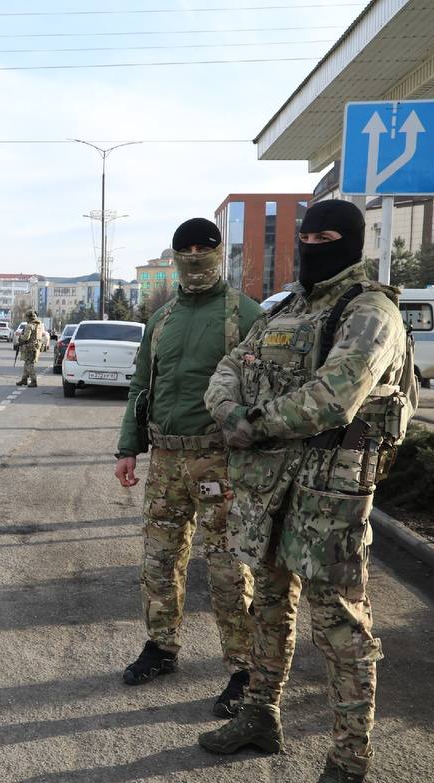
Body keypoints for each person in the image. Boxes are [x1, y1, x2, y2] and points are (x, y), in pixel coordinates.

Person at [198, 199, 414, 783]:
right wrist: (230, 411)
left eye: (327, 236)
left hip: (331, 492)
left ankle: (348, 772)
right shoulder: (286, 309)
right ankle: (261, 712)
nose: (314, 244)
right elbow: (228, 369)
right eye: (307, 235)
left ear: (353, 242)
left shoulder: (371, 312)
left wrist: (254, 426)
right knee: (268, 601)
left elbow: (336, 397)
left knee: (340, 628)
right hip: (272, 489)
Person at [114, 218, 263, 717]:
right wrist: (127, 449)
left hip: (220, 460)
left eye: (204, 247)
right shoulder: (163, 319)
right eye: (187, 249)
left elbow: (263, 391)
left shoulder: (244, 314)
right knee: (158, 562)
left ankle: (245, 670)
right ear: (176, 256)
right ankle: (161, 647)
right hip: (166, 461)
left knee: (226, 568)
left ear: (219, 253)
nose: (195, 255)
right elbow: (141, 387)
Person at [15, 309, 44, 387]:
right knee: (27, 363)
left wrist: (20, 337)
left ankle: (33, 380)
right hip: (35, 346)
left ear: (29, 317)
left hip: (29, 347)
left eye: (26, 317)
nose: (26, 318)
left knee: (29, 364)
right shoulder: (39, 325)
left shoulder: (29, 326)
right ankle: (24, 379)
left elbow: (26, 338)